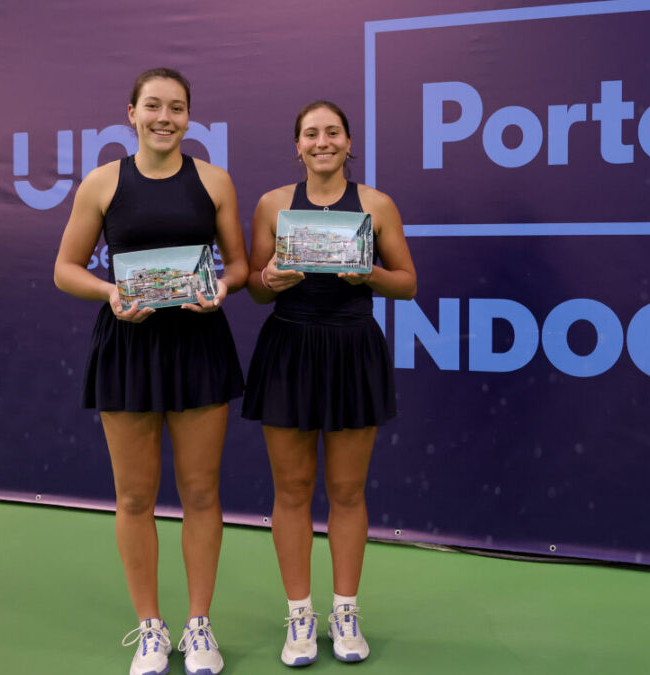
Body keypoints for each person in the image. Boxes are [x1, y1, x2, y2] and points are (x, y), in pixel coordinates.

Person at [53, 67, 247, 675]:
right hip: (128, 347)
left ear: (191, 117)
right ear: (131, 112)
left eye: (178, 108)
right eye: (154, 106)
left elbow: (238, 265)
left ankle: (198, 628)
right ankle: (150, 630)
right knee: (135, 497)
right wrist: (110, 292)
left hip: (199, 346)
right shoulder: (102, 183)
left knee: (201, 493)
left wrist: (219, 288)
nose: (166, 117)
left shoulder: (214, 181)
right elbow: (65, 268)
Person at [241, 100, 416, 666]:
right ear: (297, 146)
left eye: (332, 133)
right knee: (291, 491)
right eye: (311, 134)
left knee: (346, 492)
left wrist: (372, 275)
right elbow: (257, 287)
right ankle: (300, 615)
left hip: (352, 349)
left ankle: (345, 612)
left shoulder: (375, 205)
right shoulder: (272, 204)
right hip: (289, 348)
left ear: (347, 143)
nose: (322, 142)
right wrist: (268, 276)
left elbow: (408, 284)